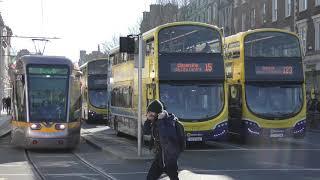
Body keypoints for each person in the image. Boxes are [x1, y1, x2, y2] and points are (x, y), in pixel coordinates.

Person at [144, 100, 181, 180]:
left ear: (158, 112)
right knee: (150, 178)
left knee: (174, 178)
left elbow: (165, 136)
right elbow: (146, 131)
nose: (150, 113)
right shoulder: (155, 121)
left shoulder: (168, 122)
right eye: (149, 111)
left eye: (152, 112)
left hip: (169, 159)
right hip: (159, 158)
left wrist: (160, 121)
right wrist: (148, 120)